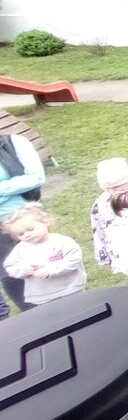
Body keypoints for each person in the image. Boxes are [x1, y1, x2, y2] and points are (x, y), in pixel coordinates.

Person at [2, 203, 86, 305]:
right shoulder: (20, 249)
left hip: (71, 289)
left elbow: (74, 260)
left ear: (45, 222)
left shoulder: (62, 241)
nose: (27, 235)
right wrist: (22, 270)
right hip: (42, 295)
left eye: (30, 229)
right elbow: (10, 265)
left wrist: (51, 270)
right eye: (21, 234)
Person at [0, 132, 43, 316]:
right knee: (12, 274)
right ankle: (34, 317)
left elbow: (36, 178)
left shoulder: (13, 143)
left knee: (44, 264)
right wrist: (12, 187)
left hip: (24, 219)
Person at [91, 157, 128, 273]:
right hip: (121, 248)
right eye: (108, 188)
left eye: (118, 186)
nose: (112, 191)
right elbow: (98, 229)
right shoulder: (100, 204)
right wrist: (103, 256)